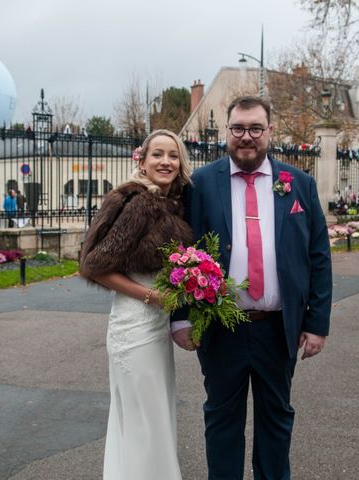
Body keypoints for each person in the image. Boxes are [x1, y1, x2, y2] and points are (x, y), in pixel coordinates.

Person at [172, 96, 332, 479]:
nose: (247, 137)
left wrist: (317, 323)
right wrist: (180, 318)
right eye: (239, 128)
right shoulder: (201, 184)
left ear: (270, 132)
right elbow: (181, 250)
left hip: (278, 327)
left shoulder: (300, 185)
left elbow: (319, 256)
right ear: (227, 132)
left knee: (276, 420)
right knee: (222, 421)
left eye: (255, 129)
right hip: (219, 326)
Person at [79, 129, 193, 480]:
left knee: (152, 412)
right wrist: (151, 296)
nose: (166, 161)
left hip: (156, 324)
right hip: (136, 323)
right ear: (141, 161)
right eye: (157, 154)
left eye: (173, 155)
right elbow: (93, 267)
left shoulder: (170, 202)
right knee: (145, 414)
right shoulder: (138, 202)